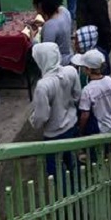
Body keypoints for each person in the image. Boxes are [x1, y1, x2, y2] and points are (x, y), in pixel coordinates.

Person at [30, 43, 81, 178]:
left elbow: (41, 117)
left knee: (54, 170)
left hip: (54, 132)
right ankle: (77, 187)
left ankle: (65, 194)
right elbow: (77, 96)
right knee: (70, 159)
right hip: (71, 124)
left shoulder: (43, 85)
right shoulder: (71, 71)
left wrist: (33, 120)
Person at [73, 50, 111, 136]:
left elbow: (85, 115)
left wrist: (81, 131)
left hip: (98, 128)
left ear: (88, 70)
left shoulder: (87, 90)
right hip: (110, 123)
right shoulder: (109, 80)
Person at [39, 0, 73, 66]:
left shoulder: (50, 25)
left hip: (58, 63)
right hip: (69, 55)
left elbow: (45, 52)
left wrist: (32, 39)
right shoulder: (65, 11)